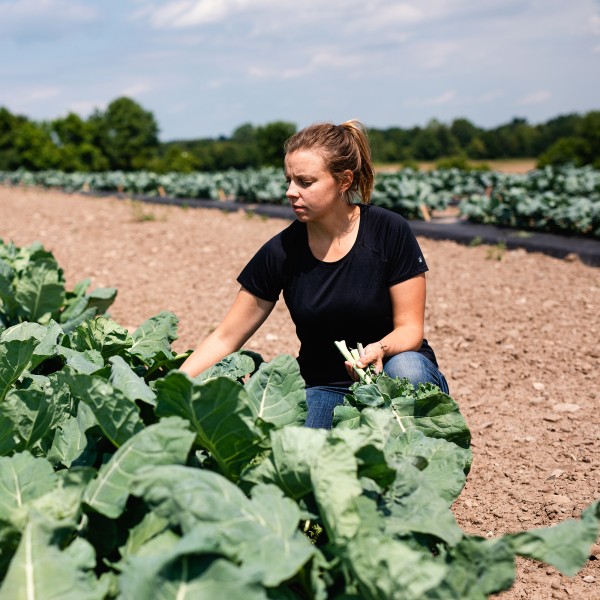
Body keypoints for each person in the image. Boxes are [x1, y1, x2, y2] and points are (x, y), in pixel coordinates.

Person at [179, 120, 448, 428]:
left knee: (409, 370)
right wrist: (173, 386)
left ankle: (421, 464)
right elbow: (226, 338)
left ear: (344, 181)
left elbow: (410, 329)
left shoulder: (388, 231)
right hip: (325, 386)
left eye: (305, 182)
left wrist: (379, 349)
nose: (291, 192)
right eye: (289, 180)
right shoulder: (281, 251)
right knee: (299, 452)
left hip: (390, 370)